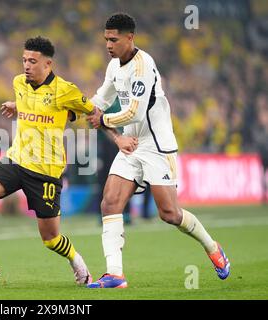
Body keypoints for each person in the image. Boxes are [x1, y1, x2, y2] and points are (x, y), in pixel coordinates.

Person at [0, 36, 134, 286]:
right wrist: (16, 106)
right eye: (24, 60)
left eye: (33, 61)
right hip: (16, 160)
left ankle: (77, 261)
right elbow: (32, 105)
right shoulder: (19, 82)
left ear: (48, 64)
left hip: (45, 173)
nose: (26, 66)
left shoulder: (65, 91)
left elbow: (94, 113)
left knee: (50, 239)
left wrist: (117, 140)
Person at [86, 13, 230, 288]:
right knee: (110, 202)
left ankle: (212, 247)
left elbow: (136, 113)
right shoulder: (113, 66)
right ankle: (115, 274)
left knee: (169, 214)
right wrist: (80, 109)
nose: (108, 45)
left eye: (113, 39)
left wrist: (102, 119)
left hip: (156, 146)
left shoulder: (143, 66)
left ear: (130, 38)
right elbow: (101, 98)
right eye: (106, 39)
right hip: (130, 145)